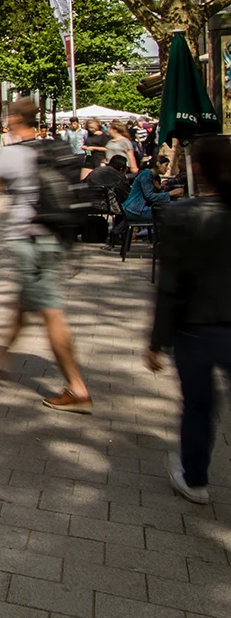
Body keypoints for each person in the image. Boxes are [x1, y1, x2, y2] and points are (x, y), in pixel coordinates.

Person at [0, 97, 93, 413]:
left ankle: (76, 388)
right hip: (56, 236)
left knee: (50, 311)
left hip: (32, 241)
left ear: (13, 120)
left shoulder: (10, 154)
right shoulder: (55, 147)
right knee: (23, 306)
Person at [147, 135, 231, 504]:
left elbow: (169, 286)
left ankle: (195, 479)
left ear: (196, 170)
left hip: (194, 328)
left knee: (198, 405)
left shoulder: (180, 215)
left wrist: (156, 341)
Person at [124, 153, 178, 220]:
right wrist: (170, 194)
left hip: (142, 208)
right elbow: (149, 196)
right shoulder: (146, 174)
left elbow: (156, 195)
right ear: (158, 164)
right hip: (135, 209)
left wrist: (160, 189)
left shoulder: (156, 177)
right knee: (171, 214)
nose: (167, 168)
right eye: (166, 165)